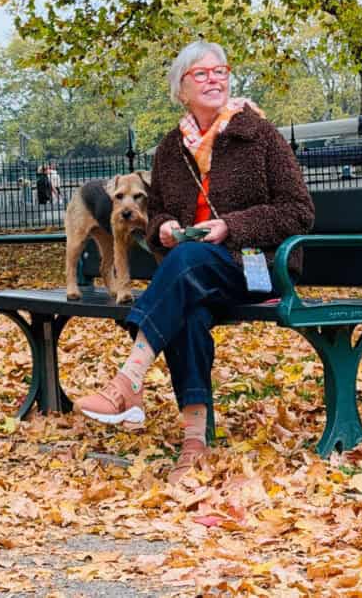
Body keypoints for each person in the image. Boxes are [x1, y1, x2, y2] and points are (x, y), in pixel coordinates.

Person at [74, 39, 315, 483]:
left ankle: (128, 381)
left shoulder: (258, 134)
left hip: (256, 266)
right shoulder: (171, 148)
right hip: (196, 274)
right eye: (201, 74)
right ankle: (194, 443)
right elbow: (159, 213)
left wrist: (232, 227)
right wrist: (162, 227)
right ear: (180, 88)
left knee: (185, 263)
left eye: (220, 72)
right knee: (187, 306)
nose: (213, 80)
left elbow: (299, 211)